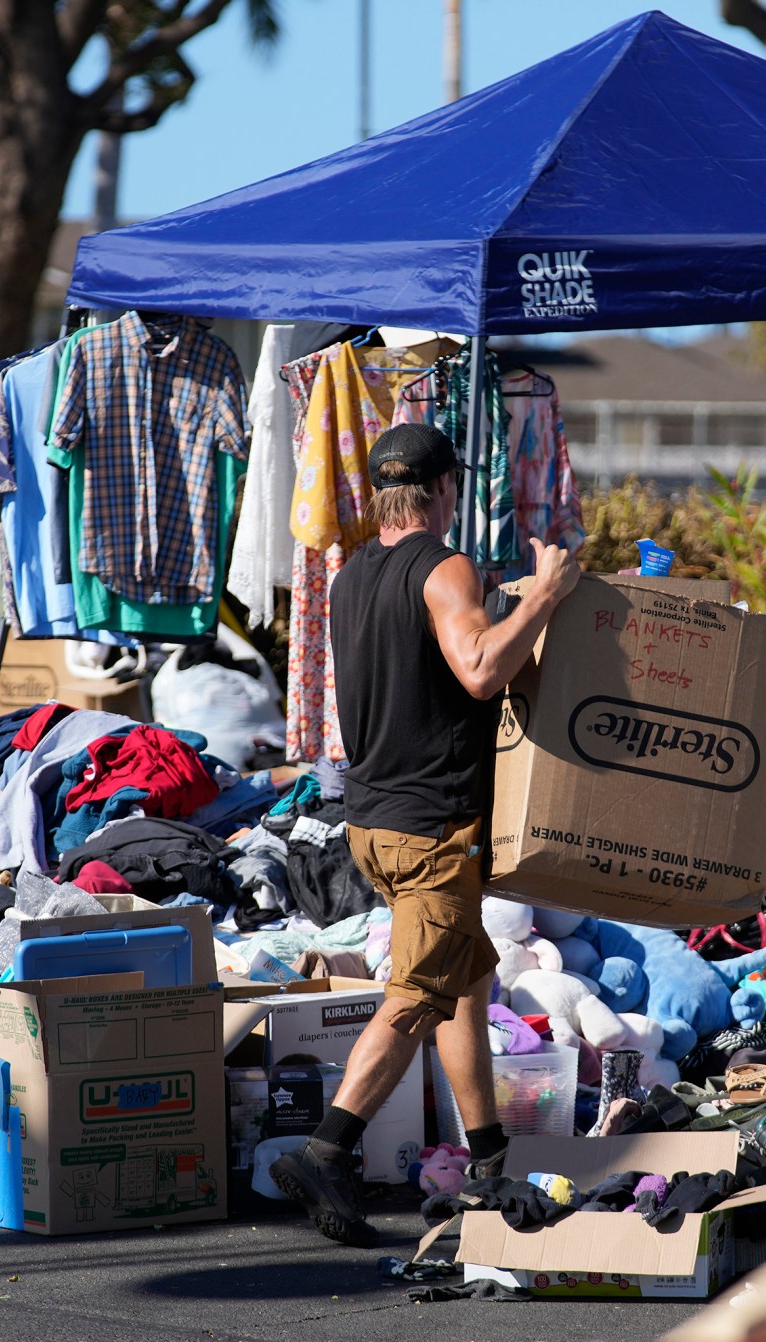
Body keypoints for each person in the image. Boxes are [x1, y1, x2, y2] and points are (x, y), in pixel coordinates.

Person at [270, 422, 580, 1247]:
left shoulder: (350, 578)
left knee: (465, 984)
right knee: (416, 994)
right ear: (444, 489)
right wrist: (544, 597)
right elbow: (478, 670)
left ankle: (489, 1159)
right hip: (432, 829)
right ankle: (326, 1149)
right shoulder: (445, 568)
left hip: (372, 823)